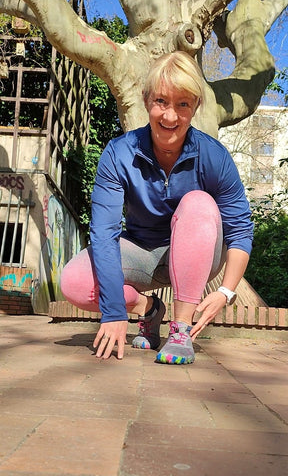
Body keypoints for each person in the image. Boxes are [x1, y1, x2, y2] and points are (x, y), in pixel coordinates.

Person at [61, 51, 253, 364]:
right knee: (74, 282)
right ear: (146, 100)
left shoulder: (214, 157)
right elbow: (104, 233)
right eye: (161, 101)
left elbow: (240, 230)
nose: (170, 117)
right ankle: (148, 311)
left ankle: (180, 330)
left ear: (195, 107)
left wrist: (226, 292)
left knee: (199, 203)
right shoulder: (118, 153)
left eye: (183, 104)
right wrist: (113, 312)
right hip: (140, 250)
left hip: (199, 251)